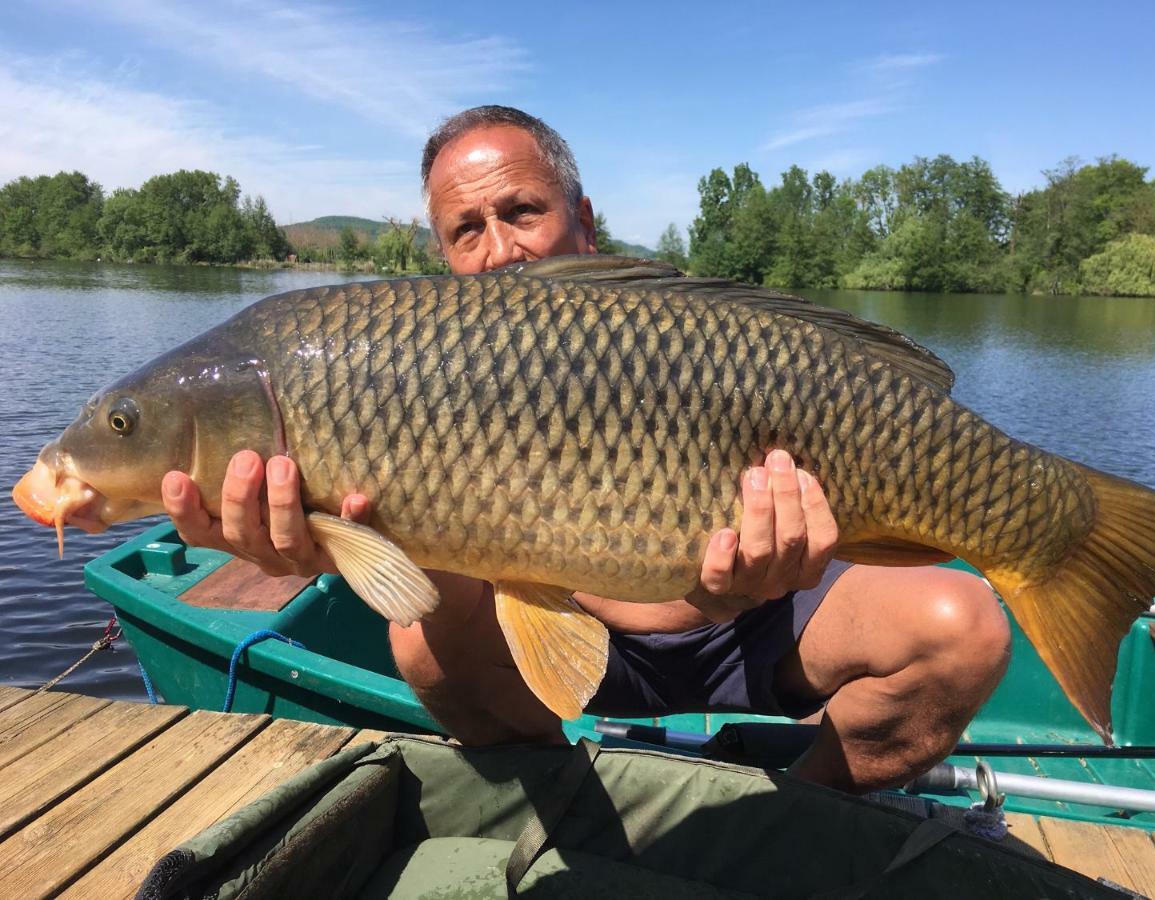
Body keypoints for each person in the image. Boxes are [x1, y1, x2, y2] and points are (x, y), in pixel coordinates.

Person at [161, 106, 1010, 793]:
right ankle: (565, 798)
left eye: (522, 211)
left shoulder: (676, 331)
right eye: (467, 230)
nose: (500, 248)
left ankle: (807, 817)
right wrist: (314, 546)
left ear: (583, 220)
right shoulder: (411, 369)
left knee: (963, 625)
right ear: (444, 254)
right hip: (573, 650)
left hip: (758, 624)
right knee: (416, 635)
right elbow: (409, 584)